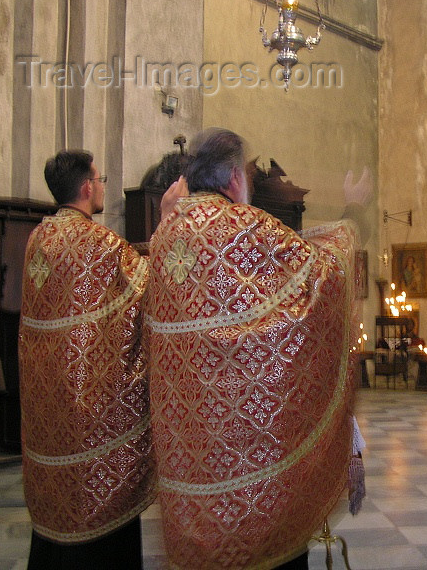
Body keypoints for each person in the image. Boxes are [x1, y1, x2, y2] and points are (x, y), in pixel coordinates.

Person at [145, 128, 370, 569]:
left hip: (193, 467)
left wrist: (164, 218)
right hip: (257, 476)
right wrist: (353, 209)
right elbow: (325, 275)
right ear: (233, 179)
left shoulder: (167, 238)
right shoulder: (251, 229)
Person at [18, 150, 185, 569]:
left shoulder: (37, 241)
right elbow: (153, 282)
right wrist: (168, 219)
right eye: (100, 177)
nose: (103, 184)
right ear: (87, 187)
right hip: (92, 423)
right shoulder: (99, 244)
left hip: (49, 415)